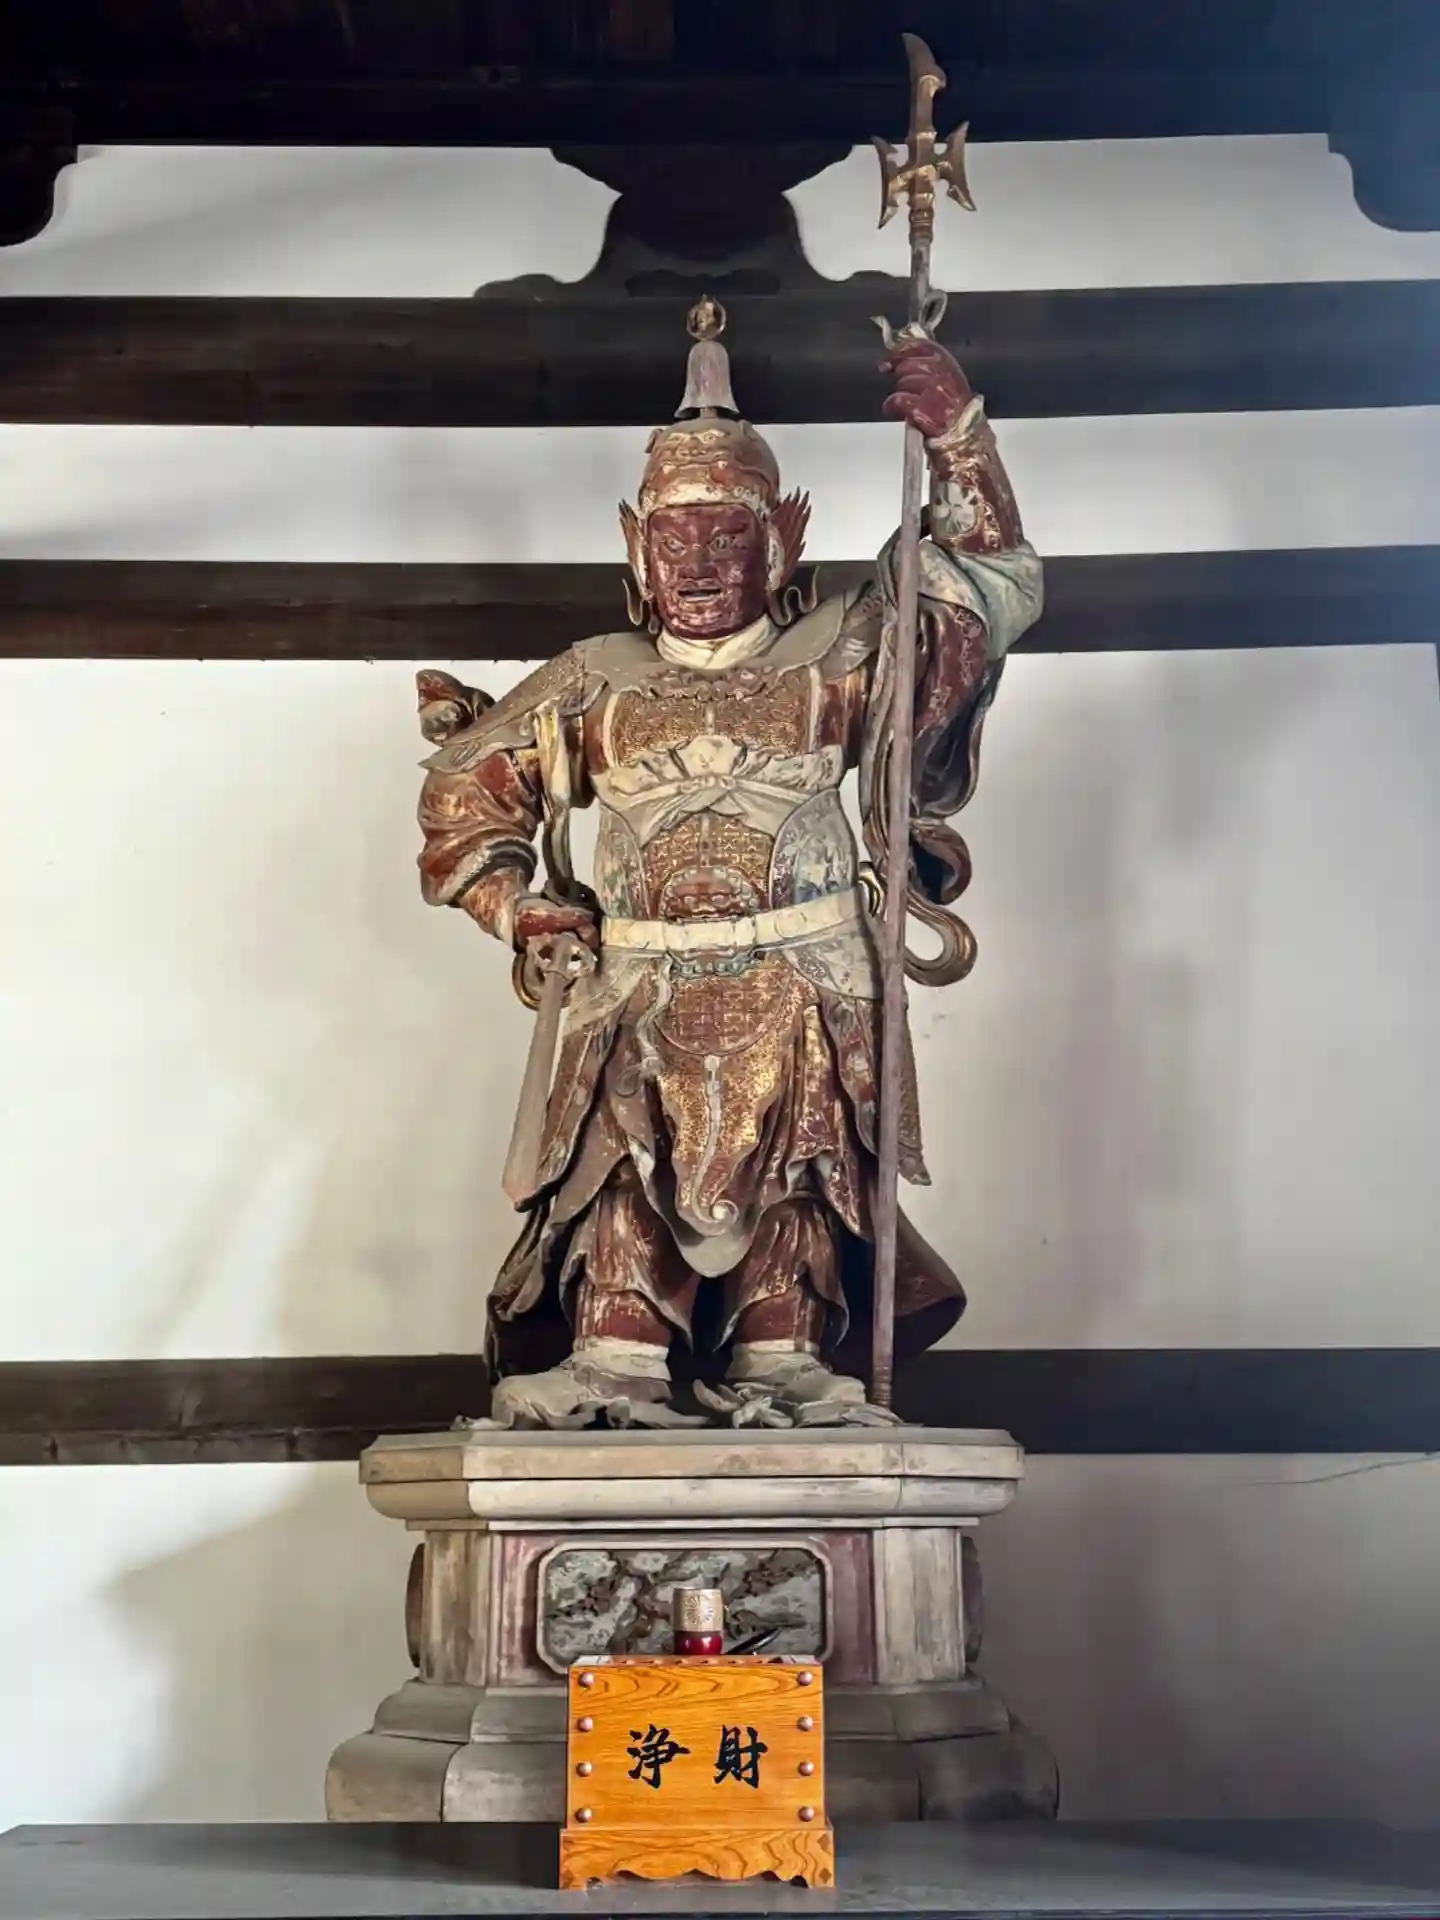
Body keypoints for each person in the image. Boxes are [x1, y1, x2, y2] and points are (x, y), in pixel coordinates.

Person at [417, 299, 1042, 1427]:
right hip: (636, 984)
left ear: (779, 545)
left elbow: (975, 591)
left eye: (726, 538)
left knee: (803, 1157)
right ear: (636, 548)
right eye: (675, 539)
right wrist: (518, 906)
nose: (698, 563)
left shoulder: (841, 650)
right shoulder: (593, 678)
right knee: (620, 1160)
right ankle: (615, 1353)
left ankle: (782, 1349)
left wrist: (960, 443)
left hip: (803, 975)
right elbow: (469, 786)